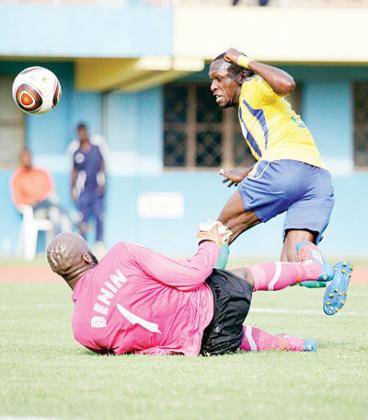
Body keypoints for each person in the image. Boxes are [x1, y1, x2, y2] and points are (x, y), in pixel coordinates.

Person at [46, 221, 351, 356]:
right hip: (214, 302)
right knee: (243, 276)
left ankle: (295, 345)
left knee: (240, 338)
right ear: (87, 256)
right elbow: (191, 274)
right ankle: (313, 268)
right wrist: (208, 242)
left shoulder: (81, 329)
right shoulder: (121, 254)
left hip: (206, 345)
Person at [209, 48, 338, 287]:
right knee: (295, 265)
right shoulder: (255, 108)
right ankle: (324, 271)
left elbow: (287, 84)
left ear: (240, 77)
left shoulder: (253, 87)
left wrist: (244, 60)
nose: (213, 86)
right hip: (318, 179)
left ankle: (200, 292)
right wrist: (246, 173)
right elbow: (283, 148)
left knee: (219, 231)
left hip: (283, 170)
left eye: (219, 78)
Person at [10, 148, 72, 236]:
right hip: (34, 209)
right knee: (51, 202)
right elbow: (18, 201)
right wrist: (35, 200)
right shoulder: (17, 177)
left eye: (28, 156)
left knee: (55, 213)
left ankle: (57, 246)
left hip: (48, 205)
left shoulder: (42, 172)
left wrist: (43, 199)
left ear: (31, 157)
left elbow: (50, 191)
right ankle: (74, 219)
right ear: (20, 160)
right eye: (24, 157)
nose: (27, 159)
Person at [70, 123, 106, 256]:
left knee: (99, 216)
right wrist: (72, 189)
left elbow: (103, 165)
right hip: (83, 191)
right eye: (79, 132)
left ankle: (99, 243)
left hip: (96, 190)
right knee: (83, 218)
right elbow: (74, 171)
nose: (81, 135)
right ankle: (83, 246)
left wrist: (103, 181)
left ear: (87, 132)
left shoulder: (96, 149)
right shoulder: (77, 152)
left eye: (83, 132)